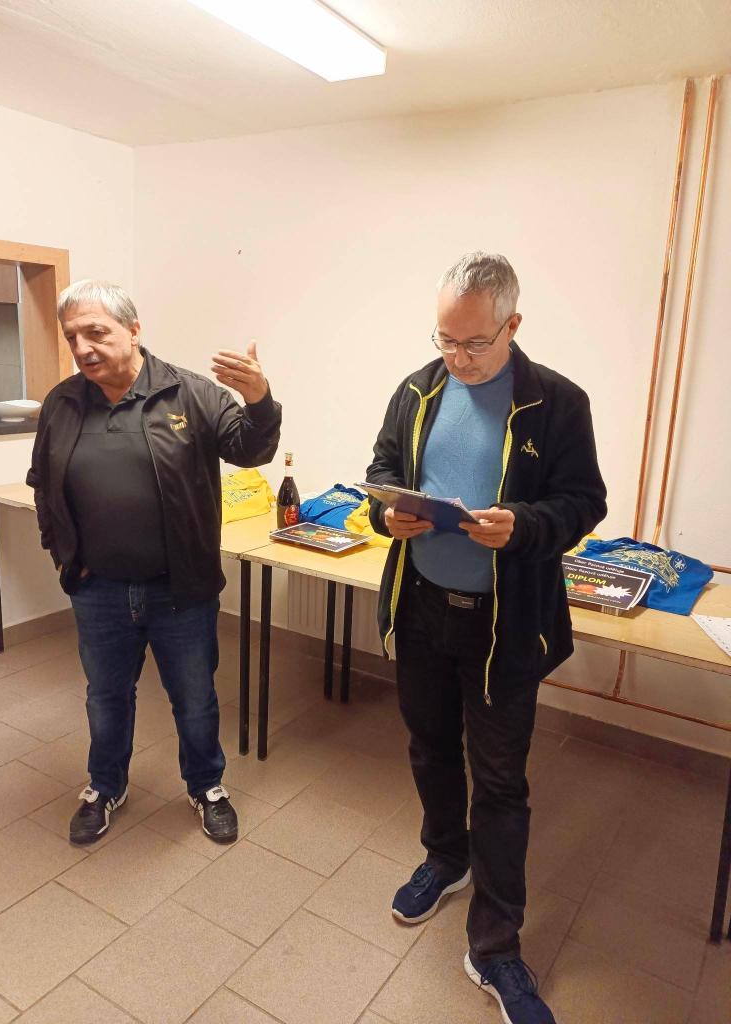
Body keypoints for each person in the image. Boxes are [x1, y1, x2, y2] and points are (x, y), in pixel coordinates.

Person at [365, 252, 606, 1024]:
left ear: (513, 325)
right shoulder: (417, 389)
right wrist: (386, 515)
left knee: (500, 783)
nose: (459, 358)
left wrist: (524, 525)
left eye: (475, 343)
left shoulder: (556, 402)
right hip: (421, 609)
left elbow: (585, 501)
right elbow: (380, 470)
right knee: (429, 747)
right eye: (446, 339)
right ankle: (445, 856)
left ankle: (495, 947)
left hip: (505, 625)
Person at [27, 280, 281, 846]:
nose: (84, 347)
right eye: (73, 337)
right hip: (98, 589)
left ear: (134, 330)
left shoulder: (190, 394)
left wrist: (259, 400)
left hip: (180, 590)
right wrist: (63, 554)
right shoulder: (63, 402)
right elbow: (43, 482)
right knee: (106, 697)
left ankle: (206, 785)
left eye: (97, 332)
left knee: (194, 697)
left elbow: (251, 450)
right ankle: (104, 786)